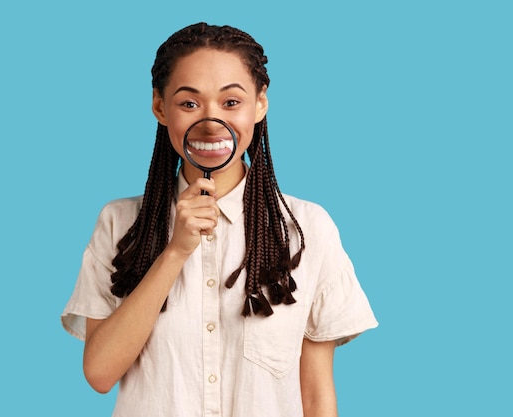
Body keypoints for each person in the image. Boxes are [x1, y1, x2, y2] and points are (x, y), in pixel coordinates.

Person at [61, 22, 378, 417]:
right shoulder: (119, 222)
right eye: (189, 104)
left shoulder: (308, 228)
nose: (211, 121)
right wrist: (175, 251)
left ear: (260, 103)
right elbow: (100, 373)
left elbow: (315, 395)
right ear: (160, 107)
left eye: (231, 103)